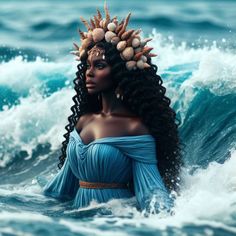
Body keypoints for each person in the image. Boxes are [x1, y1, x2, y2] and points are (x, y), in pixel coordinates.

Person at [42, 2, 183, 214]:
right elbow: (61, 188)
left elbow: (151, 192)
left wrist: (175, 224)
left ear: (119, 73)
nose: (89, 73)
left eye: (99, 66)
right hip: (75, 221)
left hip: (113, 221)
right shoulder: (83, 122)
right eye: (88, 66)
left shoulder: (134, 128)